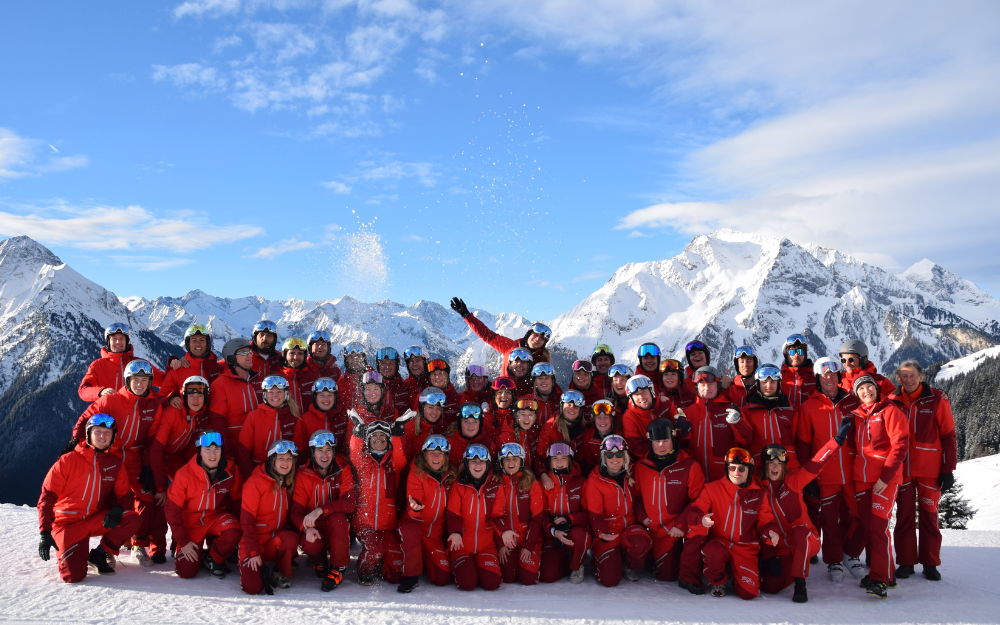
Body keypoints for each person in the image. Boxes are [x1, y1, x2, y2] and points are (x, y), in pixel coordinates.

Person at [74, 359, 163, 566]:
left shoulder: (153, 405)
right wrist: (75, 443)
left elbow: (152, 439)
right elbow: (86, 418)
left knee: (145, 498)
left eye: (144, 380)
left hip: (134, 457)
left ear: (150, 382)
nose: (139, 384)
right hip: (110, 455)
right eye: (135, 380)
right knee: (111, 499)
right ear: (127, 381)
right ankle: (108, 550)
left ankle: (138, 545)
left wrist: (148, 465)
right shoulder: (111, 401)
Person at [38, 414, 142, 582]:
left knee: (132, 520)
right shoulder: (68, 460)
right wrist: (44, 531)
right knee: (73, 576)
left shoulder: (114, 464)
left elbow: (126, 495)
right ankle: (76, 549)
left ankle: (99, 554)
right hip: (66, 525)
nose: (102, 436)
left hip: (93, 519)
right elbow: (47, 496)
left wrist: (118, 508)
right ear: (88, 434)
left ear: (113, 437)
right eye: (98, 431)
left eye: (107, 433)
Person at [758, 429, 851, 603]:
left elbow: (816, 463)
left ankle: (800, 583)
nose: (776, 466)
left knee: (799, 533)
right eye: (771, 463)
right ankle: (794, 567)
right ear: (765, 465)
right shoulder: (759, 490)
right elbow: (761, 524)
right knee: (770, 586)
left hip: (808, 539)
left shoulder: (793, 482)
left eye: (780, 463)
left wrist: (836, 441)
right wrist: (769, 556)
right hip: (783, 548)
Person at [796, 356, 865, 581]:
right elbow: (804, 445)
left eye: (833, 374)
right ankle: (834, 560)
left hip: (853, 471)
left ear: (839, 377)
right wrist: (808, 478)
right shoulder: (809, 407)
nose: (829, 378)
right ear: (818, 378)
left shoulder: (854, 403)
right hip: (825, 474)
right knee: (829, 519)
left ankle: (851, 554)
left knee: (858, 516)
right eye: (824, 375)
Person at [890, 359, 956, 582]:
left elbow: (948, 435)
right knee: (904, 516)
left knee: (930, 516)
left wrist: (948, 469)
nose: (908, 380)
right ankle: (906, 562)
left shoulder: (937, 399)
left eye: (912, 375)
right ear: (899, 378)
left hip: (930, 469)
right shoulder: (893, 400)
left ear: (921, 376)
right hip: (904, 469)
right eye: (904, 376)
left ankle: (930, 563)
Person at [688, 447, 780, 599]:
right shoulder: (712, 489)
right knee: (712, 553)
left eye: (742, 469)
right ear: (727, 469)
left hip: (745, 548)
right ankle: (719, 580)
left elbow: (765, 520)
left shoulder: (758, 494)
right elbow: (695, 510)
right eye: (732, 468)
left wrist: (770, 532)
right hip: (720, 542)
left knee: (749, 594)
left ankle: (738, 571)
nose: (736, 472)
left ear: (749, 471)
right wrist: (701, 519)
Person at [848, 375, 909, 598]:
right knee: (869, 528)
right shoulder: (858, 415)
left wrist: (886, 476)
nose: (866, 391)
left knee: (879, 527)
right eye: (861, 388)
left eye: (869, 387)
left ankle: (880, 580)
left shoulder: (890, 410)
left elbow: (900, 444)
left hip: (884, 480)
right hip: (862, 478)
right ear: (857, 394)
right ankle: (886, 573)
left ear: (876, 389)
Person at [150, 376, 227, 553]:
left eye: (200, 395)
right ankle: (156, 548)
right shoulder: (173, 412)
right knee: (158, 500)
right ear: (183, 396)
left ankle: (180, 542)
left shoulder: (203, 416)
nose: (195, 399)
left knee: (188, 496)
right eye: (190, 395)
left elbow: (192, 445)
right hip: (158, 456)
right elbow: (156, 450)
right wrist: (161, 486)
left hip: (178, 459)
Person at [632, 419, 706, 592]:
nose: (661, 445)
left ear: (673, 438)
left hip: (680, 525)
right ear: (650, 441)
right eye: (657, 441)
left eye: (665, 440)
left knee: (699, 529)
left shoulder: (689, 465)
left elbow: (698, 499)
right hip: (657, 529)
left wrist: (681, 524)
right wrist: (644, 519)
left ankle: (690, 576)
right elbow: (636, 498)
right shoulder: (641, 466)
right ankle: (655, 557)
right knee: (666, 575)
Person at [165, 430, 243, 580]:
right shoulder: (185, 474)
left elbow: (238, 501)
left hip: (216, 517)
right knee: (186, 571)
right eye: (207, 450)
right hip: (191, 522)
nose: (212, 454)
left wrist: (241, 538)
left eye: (217, 449)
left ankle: (213, 559)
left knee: (234, 530)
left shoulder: (231, 470)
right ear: (199, 451)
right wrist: (183, 541)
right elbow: (171, 509)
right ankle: (198, 552)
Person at [291, 430, 355, 592]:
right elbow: (296, 511)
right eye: (320, 450)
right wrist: (306, 528)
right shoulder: (303, 474)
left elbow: (349, 504)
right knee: (308, 540)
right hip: (316, 526)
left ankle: (338, 568)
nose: (324, 455)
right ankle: (319, 561)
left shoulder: (342, 468)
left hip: (335, 525)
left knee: (338, 519)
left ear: (334, 452)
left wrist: (320, 510)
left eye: (329, 450)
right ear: (313, 453)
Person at [584, 434, 652, 587]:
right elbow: (595, 514)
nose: (615, 459)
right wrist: (602, 532)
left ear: (625, 455)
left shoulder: (632, 473)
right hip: (609, 530)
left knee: (641, 544)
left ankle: (628, 565)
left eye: (619, 454)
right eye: (609, 455)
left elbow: (640, 499)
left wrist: (644, 518)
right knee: (610, 580)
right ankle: (601, 559)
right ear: (603, 456)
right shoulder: (595, 480)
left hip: (630, 526)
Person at [347, 419, 407, 585]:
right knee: (375, 548)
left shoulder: (394, 464)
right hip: (364, 523)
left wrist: (397, 435)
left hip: (387, 526)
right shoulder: (363, 462)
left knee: (397, 573)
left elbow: (401, 456)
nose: (378, 438)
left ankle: (380, 564)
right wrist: (357, 435)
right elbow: (354, 453)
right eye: (374, 436)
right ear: (368, 441)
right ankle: (364, 570)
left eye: (383, 435)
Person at [238, 440, 300, 594]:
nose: (285, 463)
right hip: (253, 544)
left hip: (274, 542)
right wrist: (252, 552)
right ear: (272, 460)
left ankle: (279, 571)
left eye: (289, 459)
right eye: (281, 458)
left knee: (291, 537)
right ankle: (252, 566)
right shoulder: (254, 483)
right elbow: (247, 521)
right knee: (253, 588)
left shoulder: (288, 483)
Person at [397, 435, 456, 593]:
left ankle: (422, 561)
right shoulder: (416, 474)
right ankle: (411, 576)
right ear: (425, 455)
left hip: (433, 535)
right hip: (413, 528)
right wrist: (414, 507)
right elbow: (413, 496)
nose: (436, 457)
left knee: (442, 577)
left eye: (440, 454)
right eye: (432, 453)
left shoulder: (450, 477)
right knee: (394, 574)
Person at [446, 444, 503, 591]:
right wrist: (456, 532)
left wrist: (505, 531)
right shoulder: (458, 485)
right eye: (473, 461)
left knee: (492, 583)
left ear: (488, 464)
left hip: (486, 547)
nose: (478, 465)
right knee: (468, 583)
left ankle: (479, 567)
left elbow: (498, 515)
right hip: (461, 545)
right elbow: (453, 515)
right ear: (466, 464)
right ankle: (465, 568)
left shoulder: (495, 486)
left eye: (482, 462)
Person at [450, 297, 551, 375]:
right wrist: (467, 316)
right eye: (535, 334)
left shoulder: (542, 360)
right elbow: (488, 335)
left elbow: (547, 385)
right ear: (528, 334)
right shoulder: (510, 346)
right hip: (504, 394)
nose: (537, 339)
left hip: (525, 400)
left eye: (542, 338)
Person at [490, 442, 545, 585]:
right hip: (508, 539)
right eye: (507, 459)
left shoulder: (531, 482)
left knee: (528, 578)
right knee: (508, 577)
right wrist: (501, 543)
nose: (511, 462)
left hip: (528, 538)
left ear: (521, 461)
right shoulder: (497, 482)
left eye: (515, 459)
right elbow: (495, 515)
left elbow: (537, 518)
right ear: (501, 462)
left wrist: (529, 545)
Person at [674, 366, 741, 481]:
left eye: (710, 385)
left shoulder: (729, 409)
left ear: (717, 386)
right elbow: (681, 446)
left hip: (724, 476)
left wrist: (738, 423)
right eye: (702, 385)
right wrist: (682, 432)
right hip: (696, 475)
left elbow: (746, 439)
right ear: (696, 387)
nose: (706, 388)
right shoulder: (688, 412)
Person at [729, 364, 800, 468]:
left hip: (787, 465)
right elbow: (744, 441)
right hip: (760, 466)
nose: (769, 386)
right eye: (764, 382)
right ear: (758, 384)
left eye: (773, 382)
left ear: (779, 383)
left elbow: (796, 439)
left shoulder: (791, 409)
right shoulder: (747, 411)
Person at [539, 443, 591, 584]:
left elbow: (589, 514)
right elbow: (541, 514)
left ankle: (576, 566)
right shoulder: (544, 483)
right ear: (550, 461)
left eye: (564, 458)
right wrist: (553, 530)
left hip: (574, 532)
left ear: (570, 460)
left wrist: (569, 519)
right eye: (555, 458)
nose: (560, 462)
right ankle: (566, 561)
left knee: (581, 536)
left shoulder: (581, 482)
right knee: (548, 577)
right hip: (553, 535)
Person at [78, 323, 164, 403]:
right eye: (114, 339)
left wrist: (175, 364)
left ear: (127, 342)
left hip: (137, 414)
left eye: (121, 339)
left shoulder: (139, 364)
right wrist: (100, 391)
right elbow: (83, 390)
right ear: (108, 342)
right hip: (109, 413)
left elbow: (165, 380)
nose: (118, 342)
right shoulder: (97, 365)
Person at [237, 375, 299, 480]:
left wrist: (291, 477)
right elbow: (244, 451)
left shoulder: (294, 418)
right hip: (258, 472)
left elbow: (299, 450)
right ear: (265, 395)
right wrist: (250, 476)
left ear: (286, 394)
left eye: (279, 392)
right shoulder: (254, 416)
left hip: (284, 473)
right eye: (271, 392)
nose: (275, 395)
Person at [159, 324, 225, 410]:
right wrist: (170, 399)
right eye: (194, 340)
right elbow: (161, 398)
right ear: (188, 344)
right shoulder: (177, 371)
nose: (198, 344)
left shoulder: (219, 369)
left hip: (214, 420)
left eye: (202, 340)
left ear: (207, 343)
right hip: (187, 421)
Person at [212, 338, 262, 447]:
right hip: (236, 445)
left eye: (250, 352)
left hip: (257, 444)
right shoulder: (220, 384)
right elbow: (218, 421)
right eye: (244, 353)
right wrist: (227, 450)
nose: (250, 356)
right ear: (232, 358)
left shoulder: (257, 380)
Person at [536, 391, 588, 482]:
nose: (572, 409)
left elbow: (581, 458)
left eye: (576, 407)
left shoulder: (583, 428)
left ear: (581, 410)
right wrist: (543, 474)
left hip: (573, 476)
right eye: (568, 405)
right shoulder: (550, 427)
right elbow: (540, 457)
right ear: (561, 407)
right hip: (553, 476)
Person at [293, 378, 348, 457]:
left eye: (330, 395)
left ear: (335, 397)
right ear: (315, 397)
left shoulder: (343, 417)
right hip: (313, 463)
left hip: (338, 463)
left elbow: (346, 447)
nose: (326, 399)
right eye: (321, 395)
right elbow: (302, 449)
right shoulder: (305, 419)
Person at [401, 387, 449, 462]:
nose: (434, 412)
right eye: (430, 407)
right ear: (422, 408)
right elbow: (404, 461)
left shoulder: (444, 428)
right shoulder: (409, 428)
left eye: (438, 409)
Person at [499, 397, 545, 476]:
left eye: (530, 415)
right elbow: (499, 463)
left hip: (532, 478)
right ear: (516, 416)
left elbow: (538, 459)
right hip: (512, 479)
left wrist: (542, 473)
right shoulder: (506, 436)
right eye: (523, 414)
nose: (526, 418)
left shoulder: (536, 435)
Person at [578, 400, 623, 476]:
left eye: (606, 417)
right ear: (594, 420)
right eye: (599, 417)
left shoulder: (621, 435)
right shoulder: (588, 438)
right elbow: (590, 464)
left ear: (612, 419)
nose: (602, 421)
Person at [621, 375, 659, 459]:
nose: (641, 397)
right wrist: (662, 448)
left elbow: (682, 435)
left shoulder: (664, 403)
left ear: (651, 391)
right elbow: (637, 448)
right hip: (650, 458)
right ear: (631, 398)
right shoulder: (629, 417)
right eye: (636, 395)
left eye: (644, 392)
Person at [446, 403, 496, 467]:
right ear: (460, 423)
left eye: (475, 422)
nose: (470, 425)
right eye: (466, 421)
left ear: (480, 424)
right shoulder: (450, 442)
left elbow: (492, 469)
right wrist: (455, 472)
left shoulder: (488, 444)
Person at [279, 337, 317, 414]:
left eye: (300, 353)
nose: (295, 357)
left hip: (308, 424)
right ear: (285, 355)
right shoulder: (276, 378)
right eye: (292, 353)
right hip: (286, 424)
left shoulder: (312, 379)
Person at [419, 358, 461, 424]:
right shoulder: (422, 397)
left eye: (441, 373)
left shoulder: (456, 398)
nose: (437, 377)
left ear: (447, 376)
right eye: (434, 374)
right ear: (429, 378)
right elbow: (417, 421)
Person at [779, 334, 815, 410]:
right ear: (786, 354)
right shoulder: (778, 379)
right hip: (785, 420)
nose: (796, 355)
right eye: (792, 352)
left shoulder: (815, 379)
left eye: (800, 351)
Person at [378, 347, 415, 416]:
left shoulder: (407, 390)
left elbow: (414, 416)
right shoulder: (372, 390)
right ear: (378, 366)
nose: (387, 366)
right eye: (383, 363)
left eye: (391, 363)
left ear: (396, 365)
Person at [482, 376, 517, 441]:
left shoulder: (518, 417)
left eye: (508, 392)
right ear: (494, 398)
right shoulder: (485, 418)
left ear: (513, 397)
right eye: (499, 392)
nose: (503, 395)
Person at [339, 342, 370, 409]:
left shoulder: (373, 379)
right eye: (350, 357)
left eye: (358, 356)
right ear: (346, 360)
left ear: (363, 358)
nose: (354, 359)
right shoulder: (341, 384)